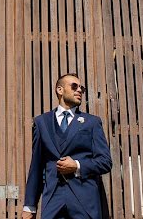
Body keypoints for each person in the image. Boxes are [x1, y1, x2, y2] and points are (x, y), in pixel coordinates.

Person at [22, 73, 112, 219]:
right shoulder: (41, 122)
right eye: (74, 86)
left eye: (81, 88)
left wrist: (77, 166)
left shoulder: (92, 122)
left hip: (85, 202)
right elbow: (36, 166)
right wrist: (29, 205)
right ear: (60, 90)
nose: (79, 91)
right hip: (53, 201)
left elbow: (105, 162)